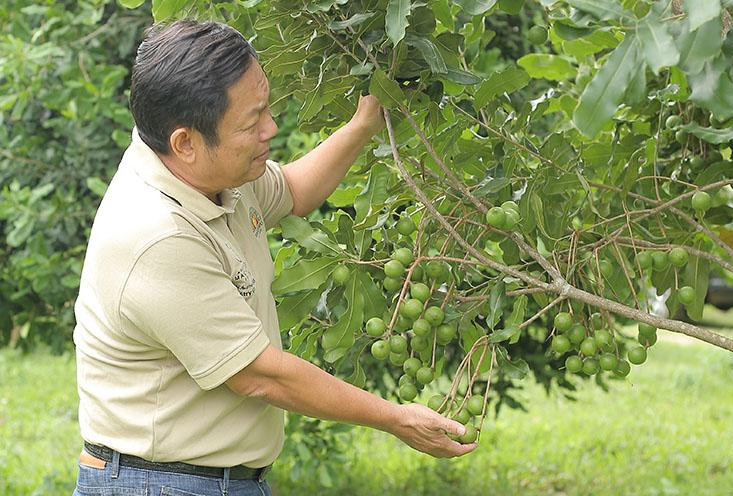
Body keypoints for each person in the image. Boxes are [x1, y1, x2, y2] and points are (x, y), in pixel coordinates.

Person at [72, 18, 475, 496]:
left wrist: (365, 122)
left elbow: (291, 190)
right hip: (158, 483)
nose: (272, 128)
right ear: (186, 142)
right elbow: (260, 376)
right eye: (252, 120)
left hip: (208, 480)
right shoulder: (155, 235)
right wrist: (396, 418)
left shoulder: (208, 173)